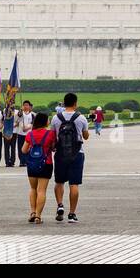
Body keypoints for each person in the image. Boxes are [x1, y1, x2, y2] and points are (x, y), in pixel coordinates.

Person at [52, 92, 90, 223]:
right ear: (75, 103)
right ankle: (72, 213)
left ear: (64, 103)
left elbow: (53, 136)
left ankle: (60, 205)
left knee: (59, 181)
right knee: (74, 184)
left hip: (60, 154)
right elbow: (85, 136)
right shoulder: (81, 118)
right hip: (77, 154)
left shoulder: (56, 118)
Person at [22, 111, 56, 224]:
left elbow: (24, 150)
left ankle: (32, 212)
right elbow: (54, 147)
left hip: (32, 165)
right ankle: (38, 216)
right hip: (46, 164)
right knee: (42, 190)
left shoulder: (30, 134)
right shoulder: (51, 134)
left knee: (33, 189)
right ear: (45, 121)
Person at [17, 100, 34, 166]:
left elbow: (32, 124)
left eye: (27, 105)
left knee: (27, 148)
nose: (26, 106)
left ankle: (27, 161)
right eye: (24, 105)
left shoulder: (32, 114)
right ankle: (21, 161)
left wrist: (26, 128)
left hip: (28, 134)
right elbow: (18, 119)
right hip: (20, 133)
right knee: (20, 148)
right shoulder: (20, 113)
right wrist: (20, 111)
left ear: (29, 106)